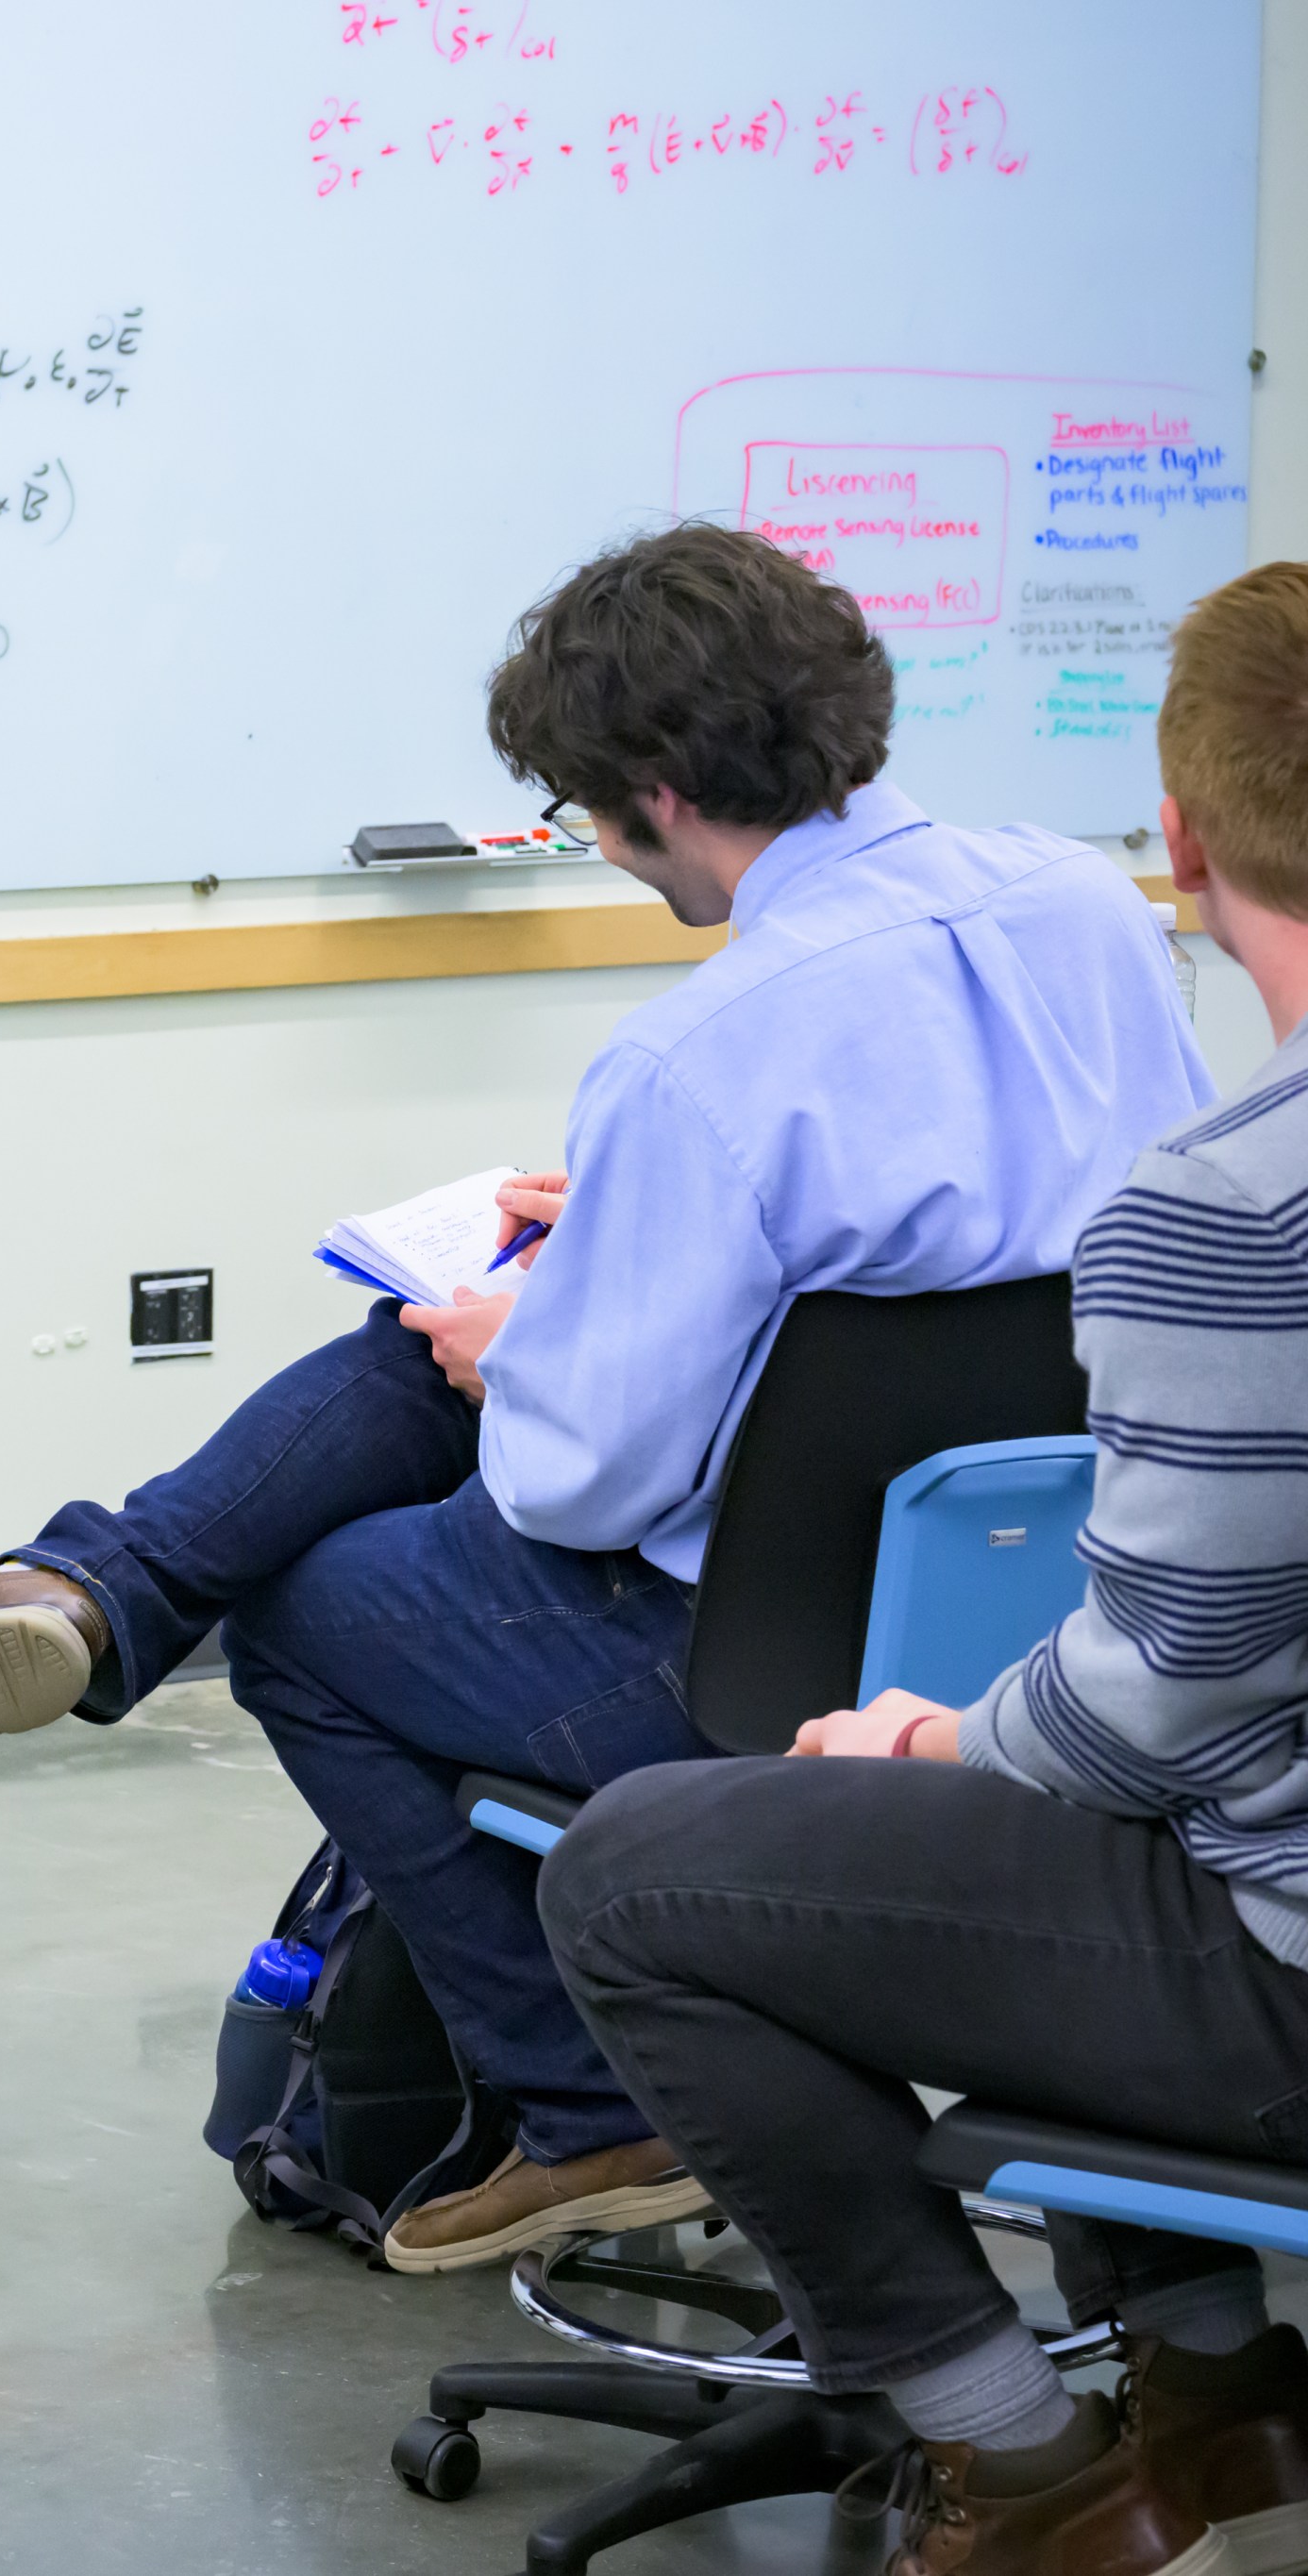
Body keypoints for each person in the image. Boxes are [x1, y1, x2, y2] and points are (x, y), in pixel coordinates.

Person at [0, 524, 1216, 2271]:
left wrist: (515, 1352)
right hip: (1082, 1603)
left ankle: (593, 2102)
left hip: (775, 1661)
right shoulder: (1085, 907)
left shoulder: (701, 1052)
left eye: (586, 812)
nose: (595, 847)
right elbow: (1023, 1254)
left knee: (310, 1589)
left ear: (659, 792)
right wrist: (605, 1263)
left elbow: (577, 1490)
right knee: (441, 1353)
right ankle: (89, 1591)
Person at [546, 561, 1308, 2576]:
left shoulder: (1231, 1210)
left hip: (1286, 1975)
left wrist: (933, 1740)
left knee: (635, 1870)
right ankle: (1208, 2368)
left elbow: (1159, 1695)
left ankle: (1014, 2442)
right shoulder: (1110, 1034)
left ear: (1182, 839)